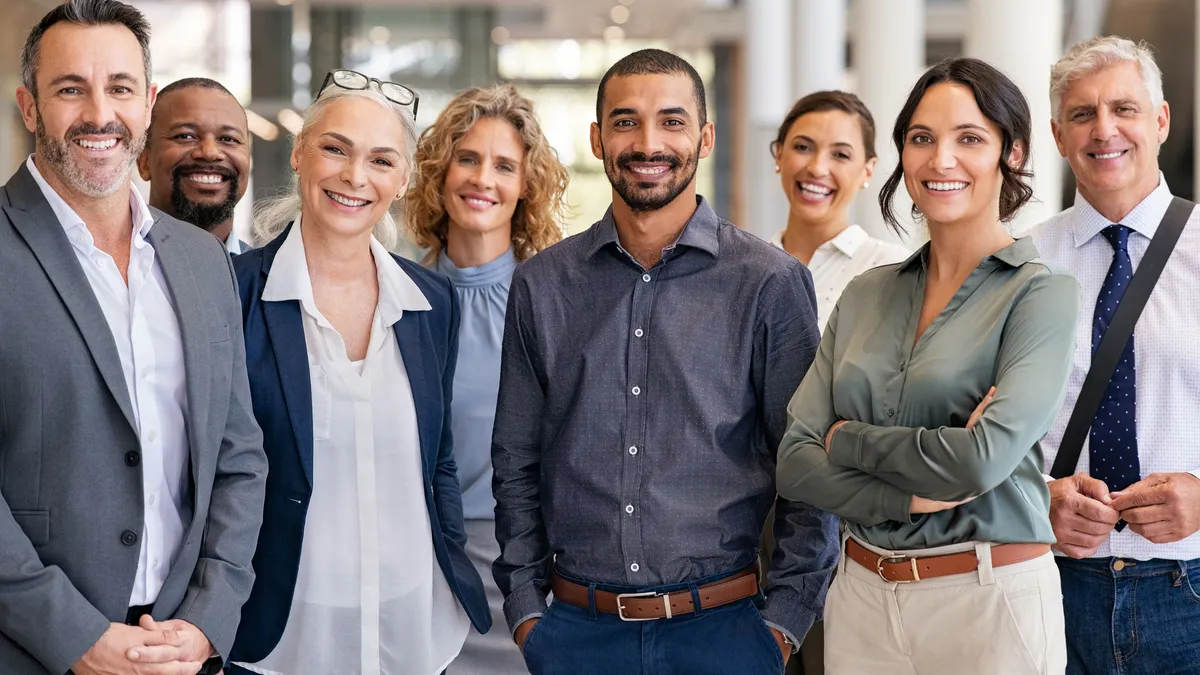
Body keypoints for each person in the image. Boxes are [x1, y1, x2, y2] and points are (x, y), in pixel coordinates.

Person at [492, 48, 838, 675]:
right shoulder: (541, 286)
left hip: (726, 636)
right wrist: (526, 611)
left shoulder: (768, 283)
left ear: (704, 138)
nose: (649, 143)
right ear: (597, 139)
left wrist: (784, 625)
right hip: (575, 636)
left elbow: (810, 471)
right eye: (626, 122)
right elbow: (516, 461)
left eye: (672, 122)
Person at [776, 57, 1080, 675]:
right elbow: (794, 464)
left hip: (989, 600)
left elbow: (980, 461)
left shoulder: (1040, 293)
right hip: (860, 595)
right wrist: (907, 496)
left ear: (1013, 154)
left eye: (969, 139)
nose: (941, 160)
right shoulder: (866, 293)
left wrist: (848, 439)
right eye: (922, 139)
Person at [0, 1, 267, 674]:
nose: (99, 114)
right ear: (29, 106)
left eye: (119, 88)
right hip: (30, 652)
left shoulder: (202, 261)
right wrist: (74, 635)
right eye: (70, 89)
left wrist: (209, 617)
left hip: (181, 650)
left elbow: (238, 455)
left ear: (146, 105)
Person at [226, 69, 490, 675]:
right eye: (335, 149)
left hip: (412, 628)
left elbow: (438, 457)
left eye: (380, 160)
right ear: (298, 152)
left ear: (402, 181)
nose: (354, 176)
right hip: (283, 633)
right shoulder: (231, 296)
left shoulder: (431, 302)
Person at [1031, 36, 1200, 675]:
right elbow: (980, 435)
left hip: (1191, 591)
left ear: (1160, 121)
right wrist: (1037, 498)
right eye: (1082, 114)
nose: (1105, 130)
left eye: (1124, 109)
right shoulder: (1020, 265)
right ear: (1057, 133)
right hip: (1053, 588)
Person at [406, 83, 568, 675]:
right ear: (439, 172)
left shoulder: (556, 303)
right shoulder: (394, 296)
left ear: (526, 187)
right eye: (467, 158)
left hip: (527, 569)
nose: (482, 179)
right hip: (416, 569)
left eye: (504, 166)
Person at [769, 90, 908, 330]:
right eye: (803, 147)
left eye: (840, 155)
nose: (817, 168)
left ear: (868, 170)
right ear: (779, 154)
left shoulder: (893, 270)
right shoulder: (746, 267)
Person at [137, 77, 252, 254]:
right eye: (185, 136)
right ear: (143, 161)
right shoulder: (110, 271)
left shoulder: (271, 278)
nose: (210, 152)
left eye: (228, 139)